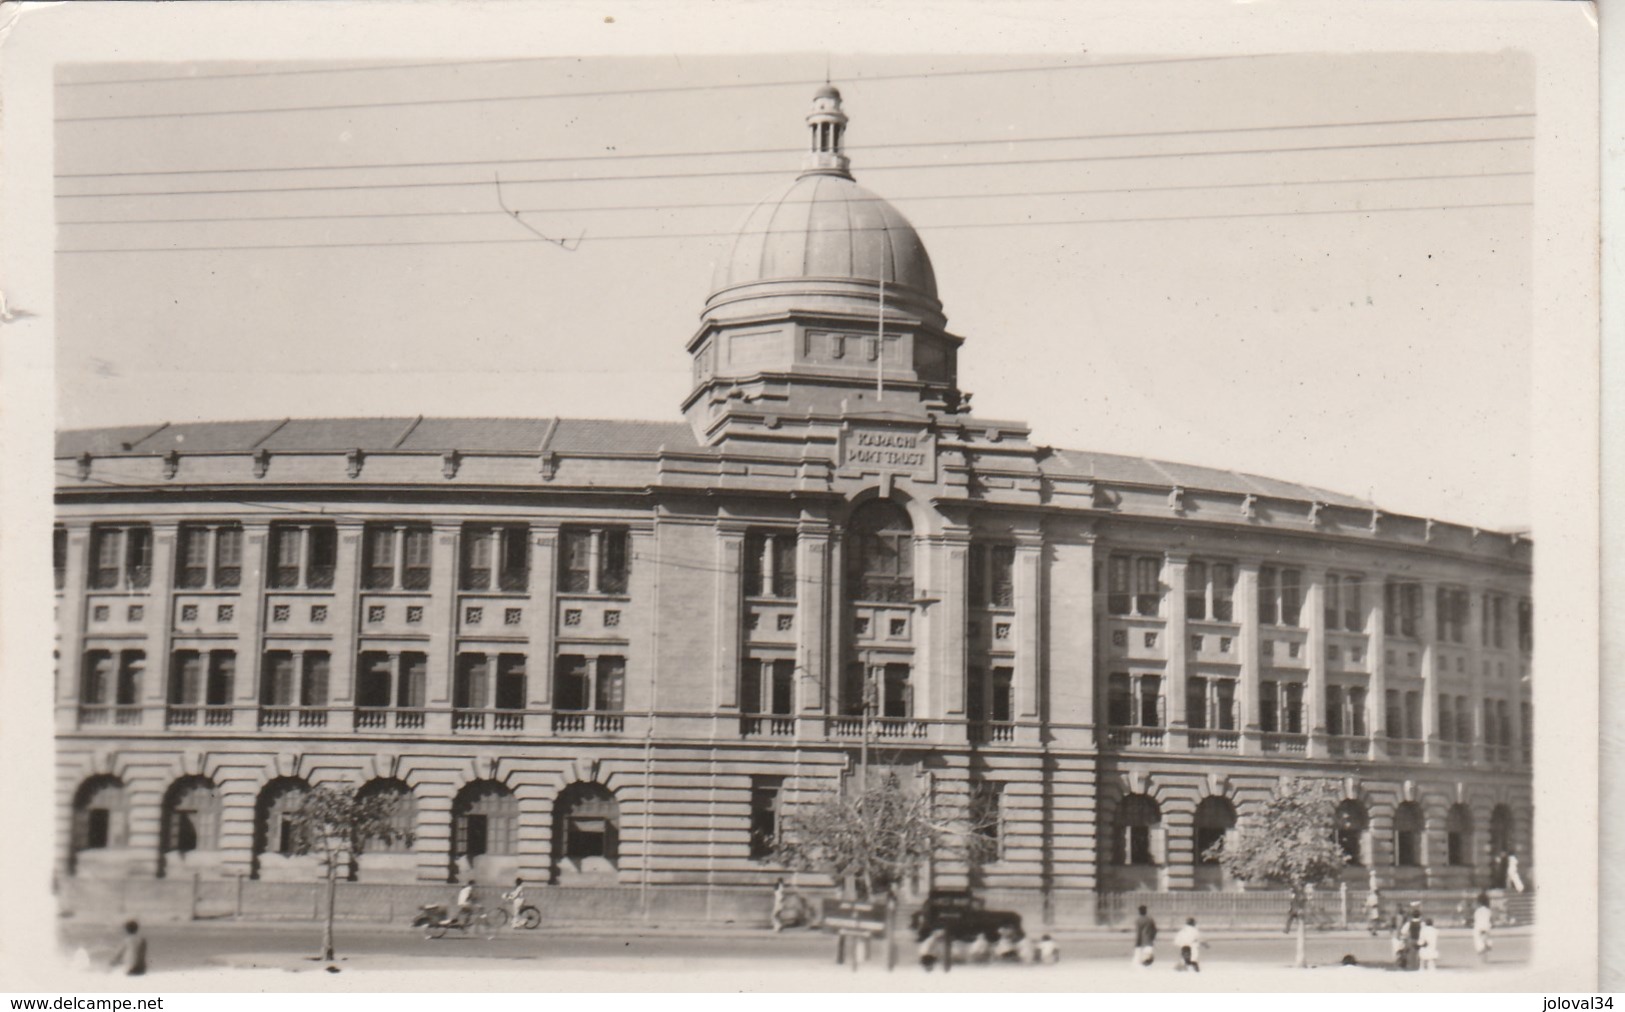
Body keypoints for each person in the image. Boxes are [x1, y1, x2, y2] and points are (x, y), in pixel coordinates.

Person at [1472, 894, 1494, 964]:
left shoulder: (1477, 911)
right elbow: (1490, 920)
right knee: (1485, 940)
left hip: (1479, 928)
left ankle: (1482, 956)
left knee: (1479, 943)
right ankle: (1487, 946)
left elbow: (1476, 920)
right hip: (1486, 927)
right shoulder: (1488, 911)